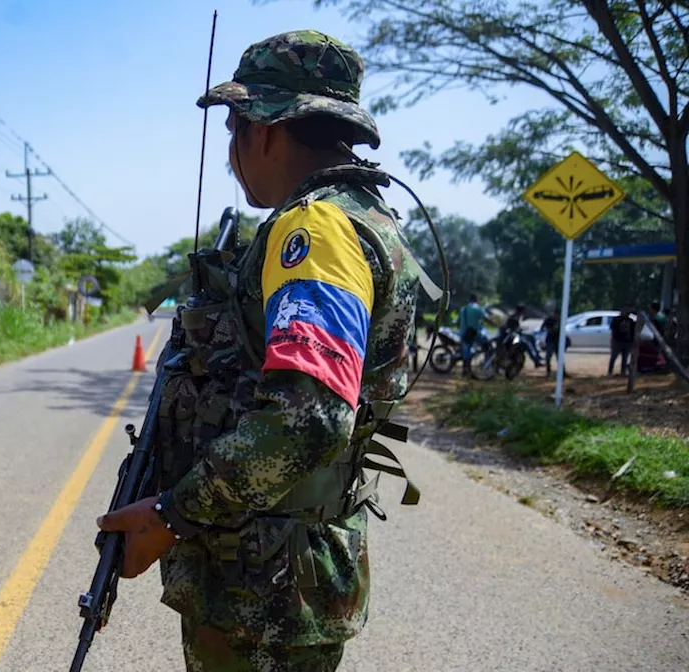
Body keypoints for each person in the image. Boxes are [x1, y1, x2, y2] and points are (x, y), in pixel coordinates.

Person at [95, 30, 424, 670]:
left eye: (233, 129)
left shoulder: (315, 229)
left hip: (263, 588)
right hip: (285, 573)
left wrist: (171, 512)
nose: (231, 151)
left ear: (265, 129)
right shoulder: (365, 218)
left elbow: (310, 414)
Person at [456, 294, 487, 376]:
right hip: (473, 333)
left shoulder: (463, 309)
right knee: (472, 350)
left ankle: (465, 370)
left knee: (465, 351)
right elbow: (485, 318)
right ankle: (469, 370)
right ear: (476, 300)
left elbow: (458, 322)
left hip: (463, 333)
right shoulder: (478, 309)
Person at [609, 305, 636, 376]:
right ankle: (610, 372)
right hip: (617, 341)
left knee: (625, 358)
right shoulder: (616, 320)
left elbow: (633, 332)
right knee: (613, 357)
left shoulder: (631, 321)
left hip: (627, 342)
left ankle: (623, 372)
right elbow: (613, 330)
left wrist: (632, 341)